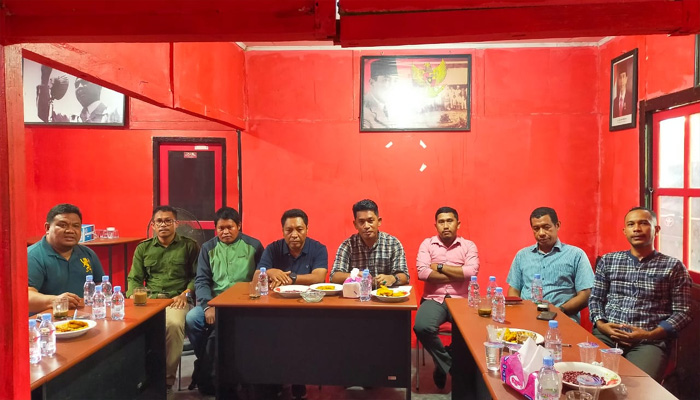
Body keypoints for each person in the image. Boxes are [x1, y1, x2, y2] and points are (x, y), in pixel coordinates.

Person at [589, 207, 692, 381]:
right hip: (608, 335)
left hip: (649, 342)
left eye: (643, 223)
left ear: (656, 229)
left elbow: (683, 312)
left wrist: (649, 334)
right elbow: (595, 299)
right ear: (625, 231)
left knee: (639, 385)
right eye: (631, 224)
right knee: (590, 378)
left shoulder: (673, 267)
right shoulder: (608, 261)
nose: (636, 229)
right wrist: (601, 325)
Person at [185, 207, 263, 395]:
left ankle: (227, 369)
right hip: (215, 302)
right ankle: (206, 362)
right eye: (221, 228)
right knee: (192, 319)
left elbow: (262, 276)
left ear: (239, 226)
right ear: (216, 229)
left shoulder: (254, 245)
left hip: (244, 303)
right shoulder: (208, 248)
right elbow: (201, 281)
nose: (225, 232)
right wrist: (207, 306)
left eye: (230, 227)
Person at [126, 205, 199, 394]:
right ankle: (135, 380)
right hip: (150, 299)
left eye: (168, 221)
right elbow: (134, 279)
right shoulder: (143, 248)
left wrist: (185, 294)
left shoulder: (189, 246)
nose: (163, 225)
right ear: (153, 225)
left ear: (176, 223)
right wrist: (134, 294)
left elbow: (197, 277)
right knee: (127, 327)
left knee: (173, 325)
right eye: (159, 221)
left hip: (177, 299)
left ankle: (165, 382)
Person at [256, 208, 328, 400]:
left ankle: (297, 379)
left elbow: (319, 277)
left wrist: (291, 278)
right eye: (289, 230)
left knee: (298, 333)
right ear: (282, 231)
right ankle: (271, 379)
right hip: (276, 308)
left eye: (299, 229)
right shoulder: (273, 248)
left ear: (307, 229)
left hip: (308, 308)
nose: (294, 234)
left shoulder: (318, 248)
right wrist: (269, 272)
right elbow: (256, 277)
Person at [414, 207, 479, 389]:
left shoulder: (468, 246)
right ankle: (448, 365)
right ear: (436, 225)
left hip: (462, 300)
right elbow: (423, 273)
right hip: (433, 298)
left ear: (458, 224)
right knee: (422, 327)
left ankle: (444, 361)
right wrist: (458, 274)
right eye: (441, 222)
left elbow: (471, 272)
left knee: (469, 332)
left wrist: (440, 267)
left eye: (450, 221)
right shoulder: (427, 244)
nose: (445, 225)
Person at [506, 207, 594, 323]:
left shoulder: (576, 255)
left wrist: (559, 310)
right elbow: (514, 290)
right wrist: (519, 312)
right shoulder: (522, 255)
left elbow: (586, 294)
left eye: (546, 227)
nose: (541, 233)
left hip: (562, 319)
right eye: (536, 229)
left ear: (557, 225)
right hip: (527, 318)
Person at [28, 204, 104, 314]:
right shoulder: (33, 256)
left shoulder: (88, 254)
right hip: (47, 321)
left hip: (84, 318)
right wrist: (55, 300)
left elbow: (101, 285)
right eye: (63, 225)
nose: (70, 231)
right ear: (48, 228)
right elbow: (25, 297)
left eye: (76, 226)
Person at [330, 199, 409, 287]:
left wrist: (392, 278)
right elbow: (334, 276)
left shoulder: (393, 243)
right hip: (356, 293)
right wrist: (354, 275)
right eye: (361, 222)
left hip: (385, 293)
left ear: (379, 221)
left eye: (370, 221)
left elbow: (405, 276)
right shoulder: (348, 245)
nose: (366, 226)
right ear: (355, 224)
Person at [37, 65, 121, 123]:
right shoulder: (71, 119)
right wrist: (44, 78)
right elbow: (45, 115)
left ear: (99, 86)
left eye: (84, 82)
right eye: (76, 85)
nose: (79, 87)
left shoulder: (115, 114)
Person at [362, 59, 398, 129]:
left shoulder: (395, 106)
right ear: (372, 83)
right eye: (386, 80)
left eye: (395, 80)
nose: (392, 86)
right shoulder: (364, 111)